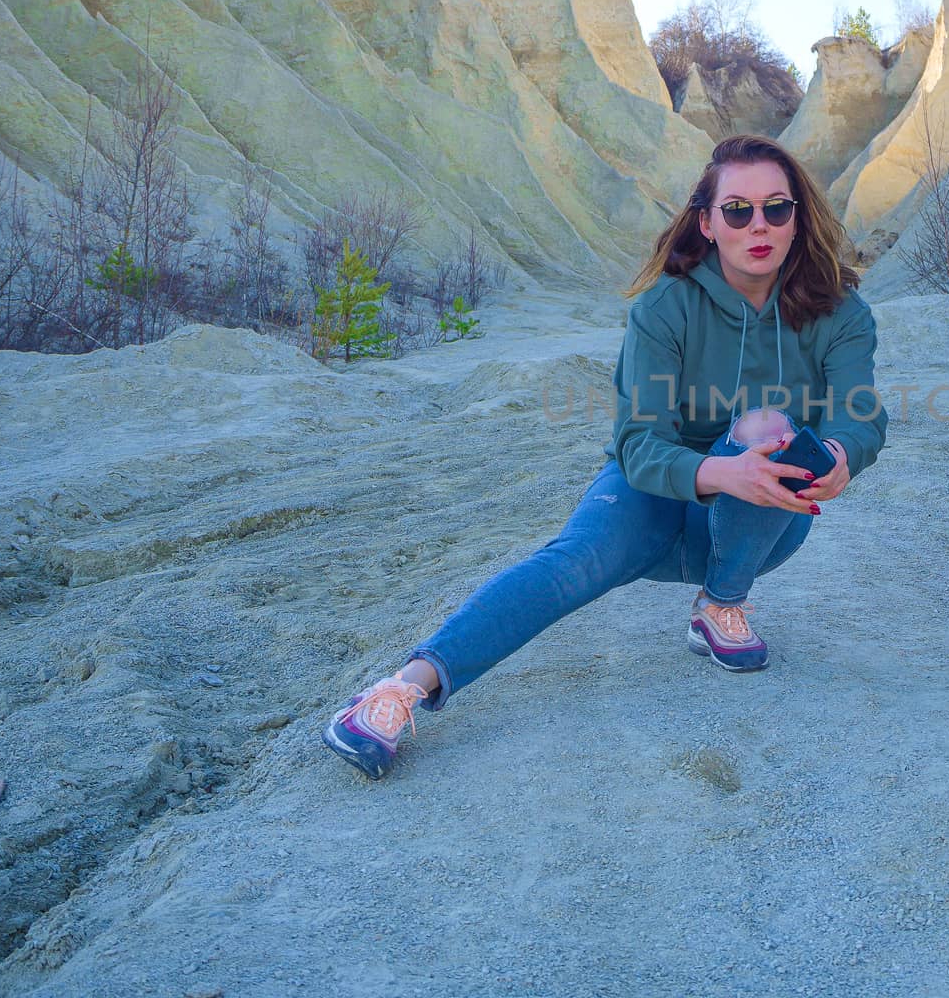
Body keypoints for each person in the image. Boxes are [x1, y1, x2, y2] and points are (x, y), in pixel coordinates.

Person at [323, 134, 889, 780]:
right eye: (737, 210)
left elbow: (861, 411)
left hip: (756, 525)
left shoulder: (839, 311)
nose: (758, 225)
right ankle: (400, 689)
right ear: (707, 223)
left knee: (768, 427)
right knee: (572, 563)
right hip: (653, 494)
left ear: (797, 217)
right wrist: (717, 471)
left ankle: (720, 604)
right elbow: (639, 441)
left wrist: (843, 451)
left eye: (775, 208)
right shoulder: (664, 307)